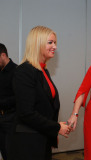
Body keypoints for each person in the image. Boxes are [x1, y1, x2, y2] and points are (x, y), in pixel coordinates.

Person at [8, 26, 70, 160]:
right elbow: (26, 113)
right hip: (27, 142)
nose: (55, 46)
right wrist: (56, 127)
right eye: (50, 42)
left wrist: (52, 134)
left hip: (42, 138)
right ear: (37, 43)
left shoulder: (43, 71)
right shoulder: (24, 71)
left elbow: (45, 107)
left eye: (55, 43)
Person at [0, 43, 17, 160]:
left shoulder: (17, 71)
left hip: (10, 119)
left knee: (10, 154)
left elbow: (19, 97)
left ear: (3, 55)